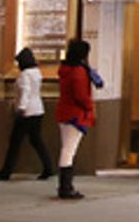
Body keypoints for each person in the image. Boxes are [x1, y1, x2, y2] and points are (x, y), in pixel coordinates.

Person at [0, 48, 54, 181]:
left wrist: (21, 108)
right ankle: (48, 167)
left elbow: (25, 92)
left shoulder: (25, 75)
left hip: (27, 112)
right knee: (36, 140)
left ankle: (6, 171)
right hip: (38, 109)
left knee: (15, 142)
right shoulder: (37, 73)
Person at [56, 39, 96, 199]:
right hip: (75, 114)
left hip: (64, 112)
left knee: (67, 148)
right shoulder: (78, 71)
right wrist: (90, 106)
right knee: (69, 150)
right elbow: (81, 95)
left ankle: (65, 185)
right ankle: (66, 187)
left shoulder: (65, 69)